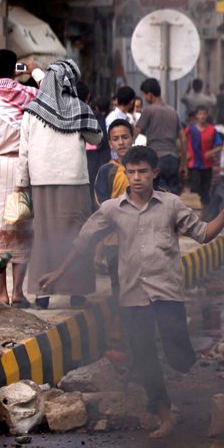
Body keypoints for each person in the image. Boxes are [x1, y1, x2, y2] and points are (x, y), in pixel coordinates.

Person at [40, 145, 224, 437]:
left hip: (168, 293)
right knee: (144, 358)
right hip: (133, 296)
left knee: (179, 357)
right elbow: (83, 241)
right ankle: (164, 414)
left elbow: (203, 234)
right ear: (126, 173)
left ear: (154, 173)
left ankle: (182, 362)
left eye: (143, 172)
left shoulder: (171, 205)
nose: (137, 178)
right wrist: (59, 272)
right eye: (131, 172)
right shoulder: (112, 209)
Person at [16, 60, 103, 309]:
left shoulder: (32, 110)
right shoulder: (79, 107)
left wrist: (22, 183)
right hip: (74, 180)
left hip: (41, 181)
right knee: (77, 233)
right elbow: (96, 137)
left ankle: (43, 295)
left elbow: (24, 149)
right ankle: (77, 292)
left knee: (44, 236)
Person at [0, 50, 38, 307]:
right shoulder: (28, 94)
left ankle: (0, 293)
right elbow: (50, 95)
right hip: (22, 167)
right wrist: (33, 71)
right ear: (15, 68)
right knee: (21, 228)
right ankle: (18, 292)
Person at [94, 119, 135, 307]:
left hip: (140, 238)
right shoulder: (106, 171)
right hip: (114, 240)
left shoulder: (142, 169)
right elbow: (103, 204)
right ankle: (122, 328)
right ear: (110, 143)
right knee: (118, 286)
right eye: (116, 139)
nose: (121, 142)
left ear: (133, 139)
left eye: (125, 137)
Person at [135, 78, 185, 195]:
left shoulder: (148, 110)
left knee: (155, 198)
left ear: (150, 95)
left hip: (155, 160)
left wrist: (126, 152)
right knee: (172, 198)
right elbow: (183, 138)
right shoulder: (173, 111)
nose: (145, 99)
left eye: (145, 95)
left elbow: (136, 132)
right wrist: (183, 163)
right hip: (172, 160)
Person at [185, 106, 222, 214]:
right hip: (193, 165)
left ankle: (203, 215)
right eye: (200, 114)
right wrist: (185, 153)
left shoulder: (212, 130)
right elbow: (181, 140)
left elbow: (219, 146)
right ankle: (195, 215)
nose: (202, 116)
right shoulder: (190, 129)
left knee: (205, 192)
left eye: (204, 114)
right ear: (196, 116)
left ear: (207, 115)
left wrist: (211, 152)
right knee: (195, 190)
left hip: (207, 166)